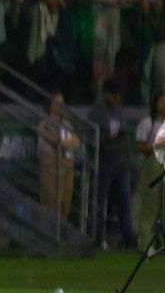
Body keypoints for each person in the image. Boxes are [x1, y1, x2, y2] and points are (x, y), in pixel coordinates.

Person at [88, 78, 137, 248]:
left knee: (124, 201)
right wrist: (110, 137)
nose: (116, 99)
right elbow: (93, 139)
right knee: (99, 202)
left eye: (118, 96)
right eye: (113, 95)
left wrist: (111, 137)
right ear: (105, 94)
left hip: (121, 162)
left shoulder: (119, 110)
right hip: (104, 162)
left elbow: (122, 134)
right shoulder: (96, 112)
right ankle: (97, 238)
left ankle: (129, 238)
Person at [37, 92, 81, 220]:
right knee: (51, 200)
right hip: (51, 166)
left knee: (65, 201)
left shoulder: (67, 124)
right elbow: (56, 140)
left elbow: (76, 142)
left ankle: (61, 231)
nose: (61, 106)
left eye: (63, 103)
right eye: (58, 103)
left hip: (67, 165)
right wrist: (67, 143)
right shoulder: (44, 123)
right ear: (50, 105)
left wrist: (68, 143)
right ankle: (48, 232)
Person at [134, 91, 165, 247]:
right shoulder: (147, 123)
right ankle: (146, 244)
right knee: (150, 207)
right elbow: (139, 145)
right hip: (153, 166)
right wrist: (155, 148)